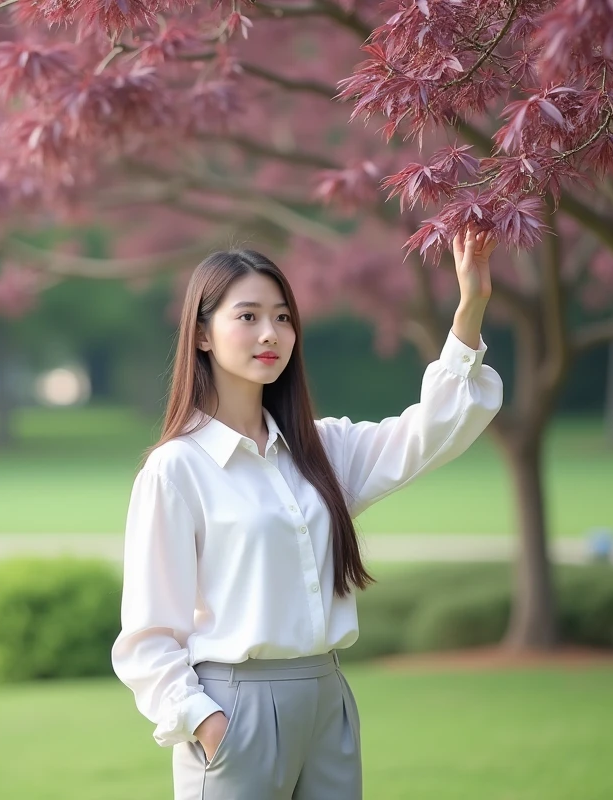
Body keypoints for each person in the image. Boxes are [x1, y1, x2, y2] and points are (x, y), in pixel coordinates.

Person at [111, 231, 504, 800]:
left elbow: (431, 431)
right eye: (247, 316)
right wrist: (206, 722)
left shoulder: (323, 451)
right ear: (201, 333)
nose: (270, 333)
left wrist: (470, 309)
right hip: (233, 708)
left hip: (327, 699)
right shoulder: (177, 469)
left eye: (282, 317)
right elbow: (147, 633)